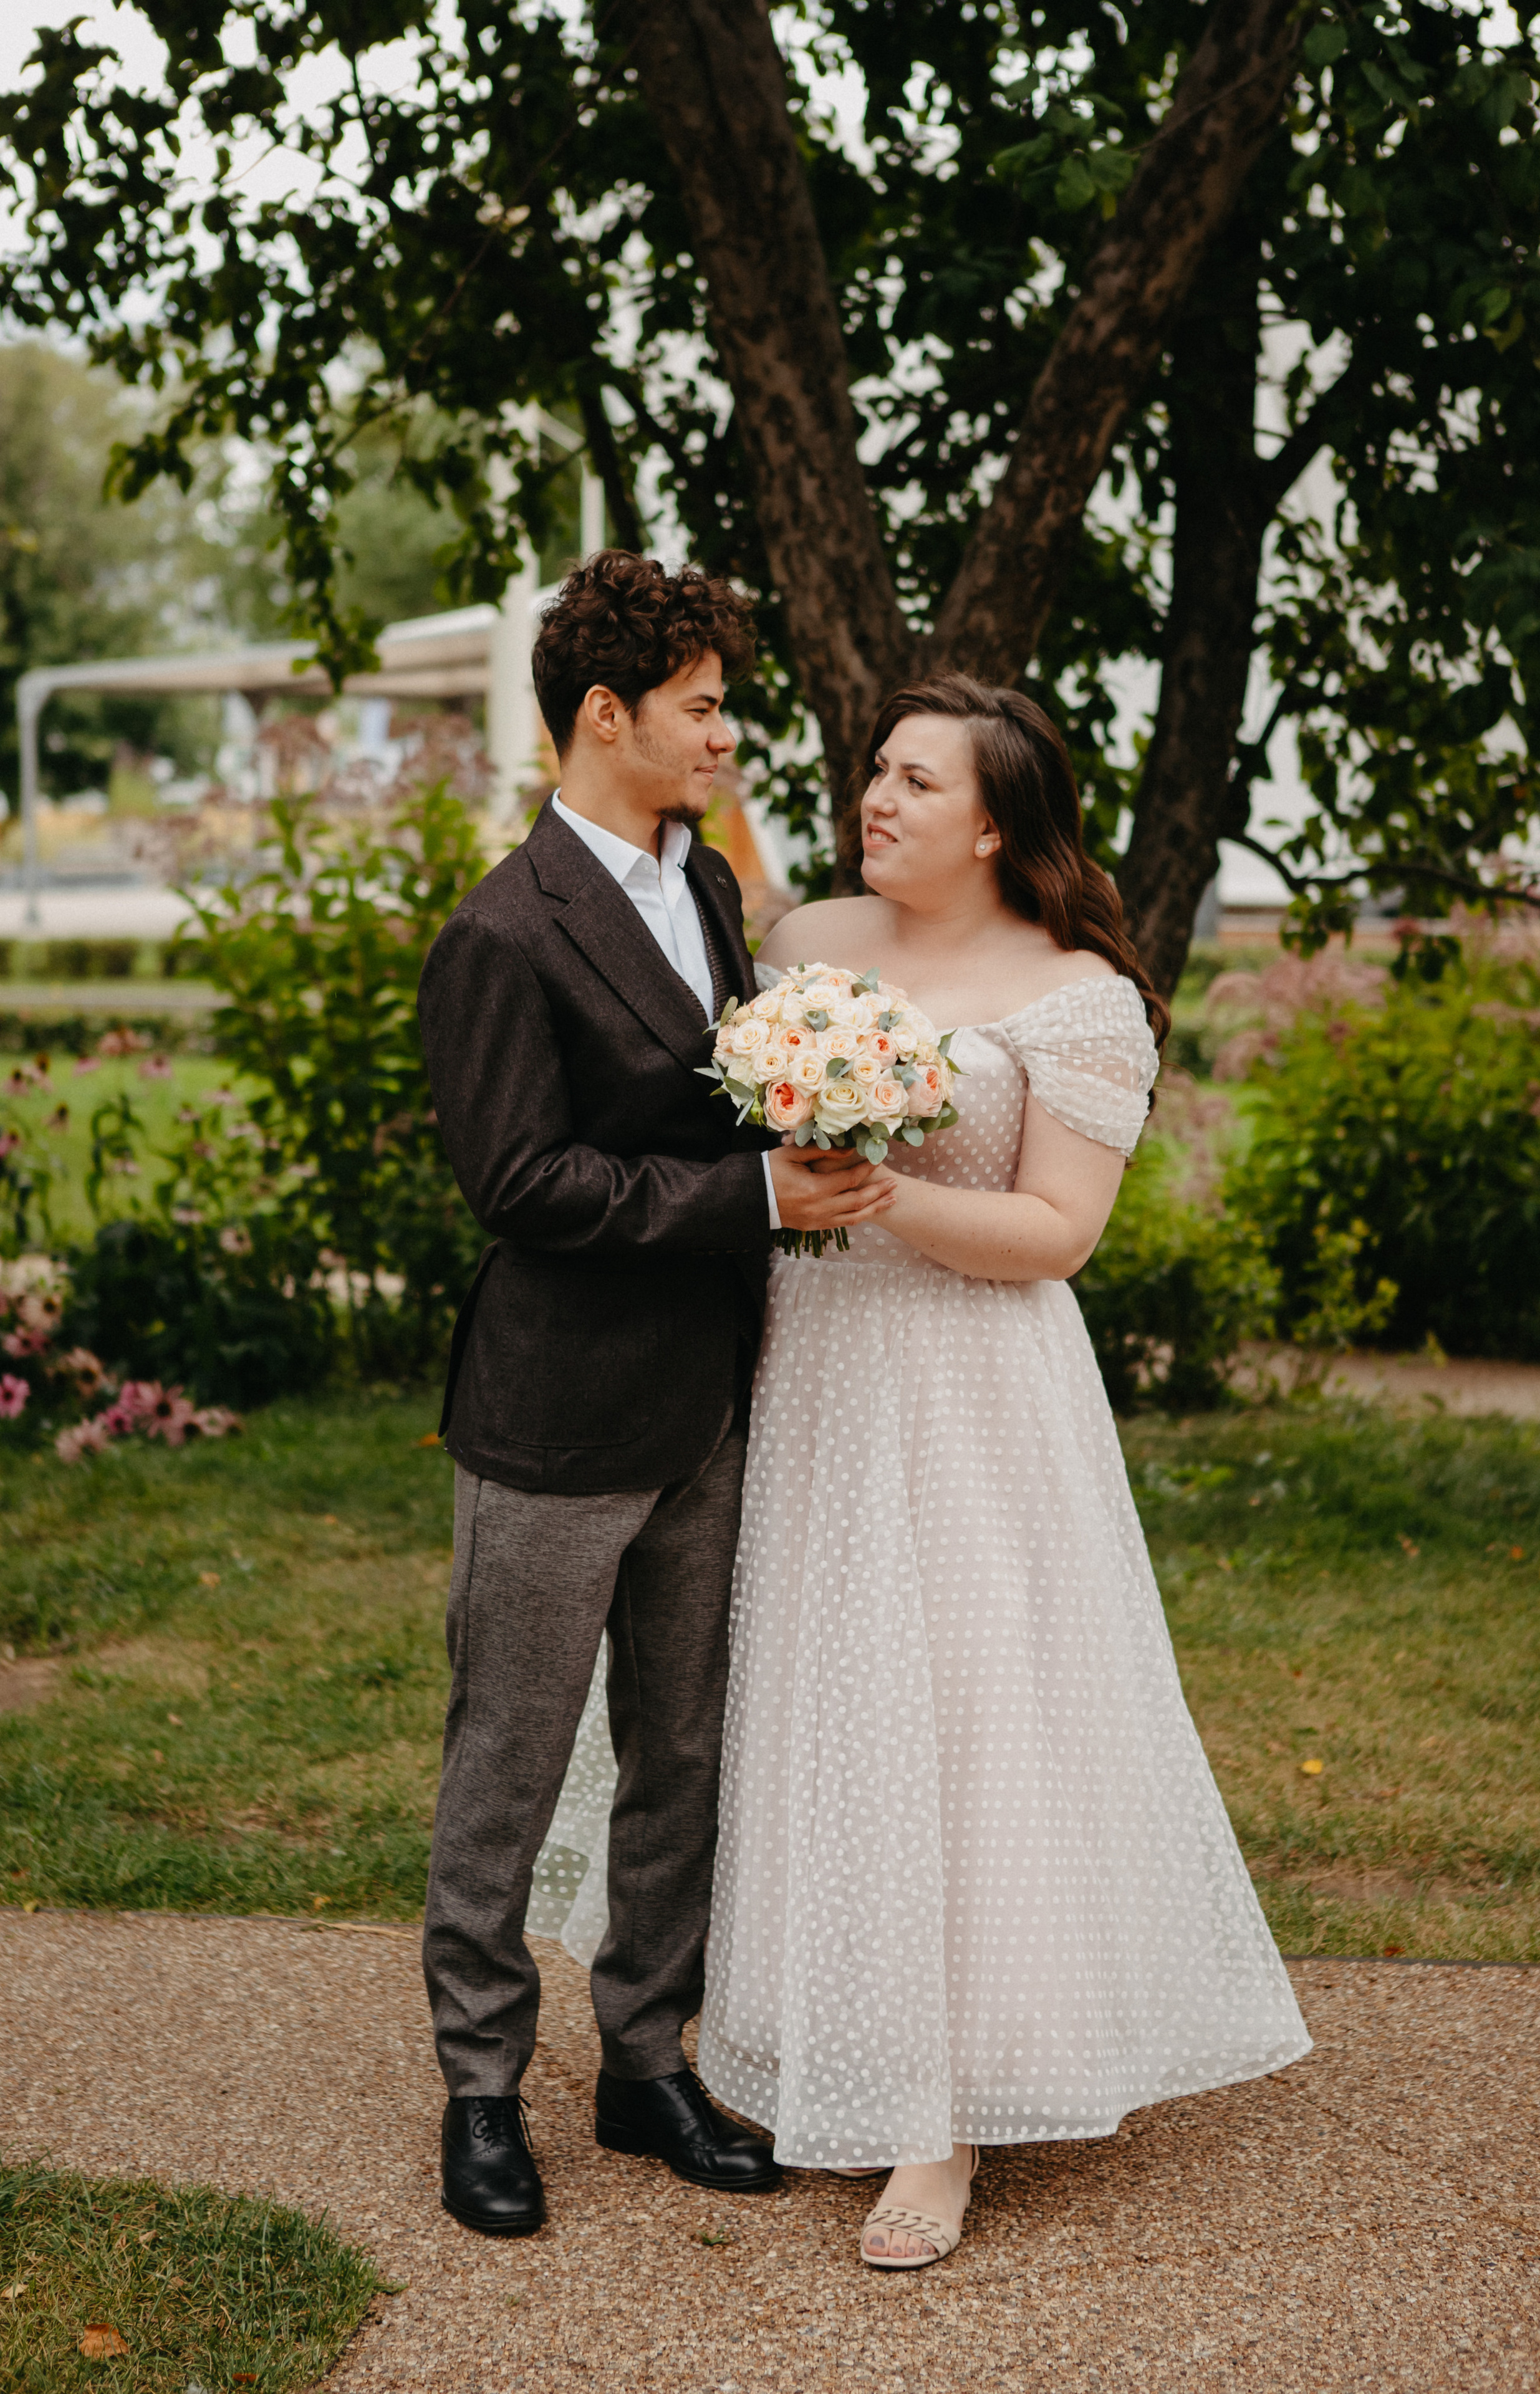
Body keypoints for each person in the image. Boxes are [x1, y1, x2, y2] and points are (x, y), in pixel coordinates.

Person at [696, 674, 1312, 2270]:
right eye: (872, 775)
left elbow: (1056, 1237)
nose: (875, 801)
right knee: (827, 1700)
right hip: (817, 1377)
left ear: (991, 823)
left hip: (975, 1395)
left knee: (962, 1721)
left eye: (913, 783)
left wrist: (883, 1196)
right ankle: (827, 2020)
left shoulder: (1078, 996)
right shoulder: (799, 948)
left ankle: (936, 2126)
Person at [415, 551, 893, 2237]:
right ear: (604, 716)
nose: (727, 734)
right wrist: (754, 1201)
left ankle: (644, 2057)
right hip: (552, 1424)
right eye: (703, 707)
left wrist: (814, 1133)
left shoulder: (705, 897)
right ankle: (482, 2089)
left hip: (711, 1403)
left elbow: (718, 1106)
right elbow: (526, 1187)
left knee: (682, 1752)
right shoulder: (498, 932)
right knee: (513, 1762)